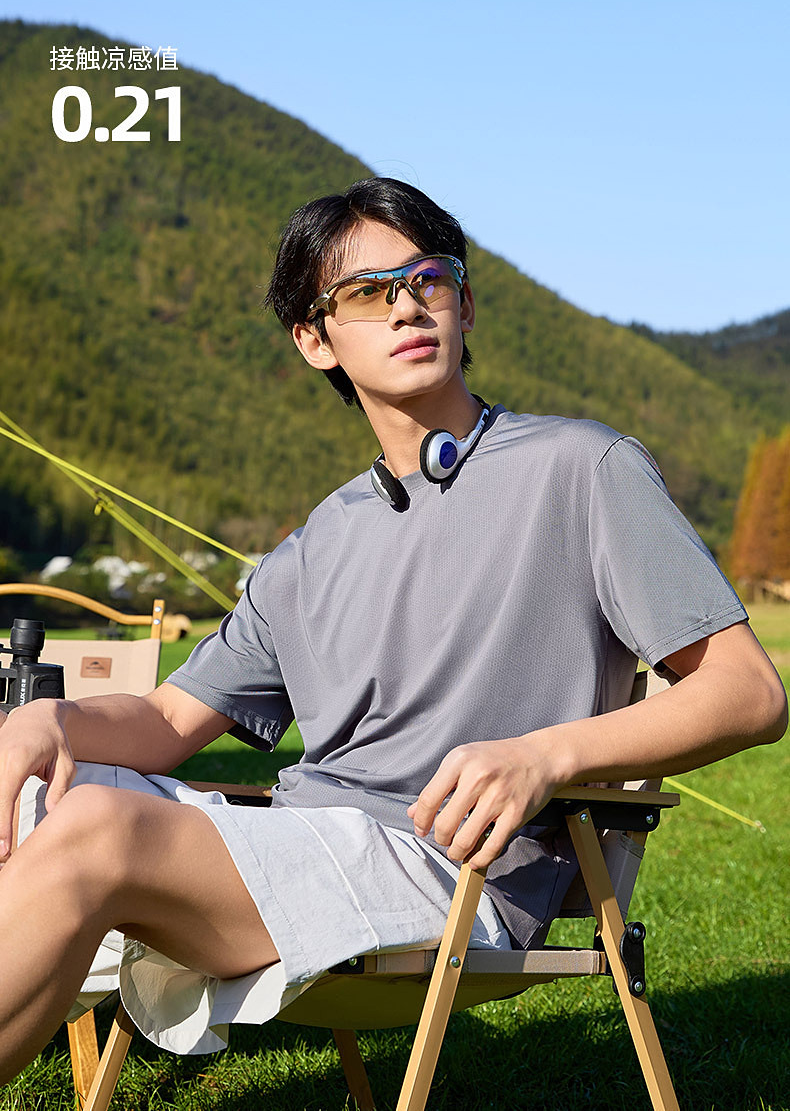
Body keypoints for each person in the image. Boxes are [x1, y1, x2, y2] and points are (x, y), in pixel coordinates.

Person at [0, 177, 785, 1083]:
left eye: (428, 279)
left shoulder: (581, 468)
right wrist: (49, 721)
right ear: (314, 339)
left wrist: (546, 754)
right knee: (32, 792)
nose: (407, 305)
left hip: (450, 874)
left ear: (465, 305)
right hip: (300, 845)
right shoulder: (313, 547)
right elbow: (170, 721)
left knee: (98, 825)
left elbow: (749, 692)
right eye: (367, 292)